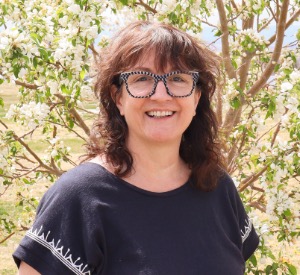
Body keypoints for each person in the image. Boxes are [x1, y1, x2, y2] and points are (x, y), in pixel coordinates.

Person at [13, 21, 259, 274]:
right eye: (142, 78)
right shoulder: (78, 199)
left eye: (177, 78)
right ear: (118, 98)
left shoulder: (218, 188)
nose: (161, 94)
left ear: (196, 98)